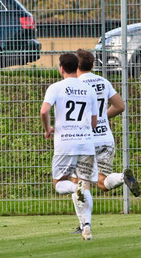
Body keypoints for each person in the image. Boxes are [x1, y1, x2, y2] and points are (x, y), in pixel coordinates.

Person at [40, 52, 98, 241]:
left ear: (61, 68)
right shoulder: (89, 89)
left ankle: (76, 190)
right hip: (86, 143)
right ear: (77, 67)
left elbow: (44, 111)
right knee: (84, 184)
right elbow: (94, 122)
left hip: (65, 143)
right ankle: (86, 226)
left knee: (59, 184)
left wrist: (48, 128)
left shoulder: (56, 87)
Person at [75, 49, 140, 205]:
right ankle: (121, 177)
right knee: (102, 183)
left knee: (80, 182)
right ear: (92, 64)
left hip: (85, 140)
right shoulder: (103, 82)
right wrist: (102, 118)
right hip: (105, 138)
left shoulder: (75, 85)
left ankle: (84, 224)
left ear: (75, 65)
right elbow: (119, 106)